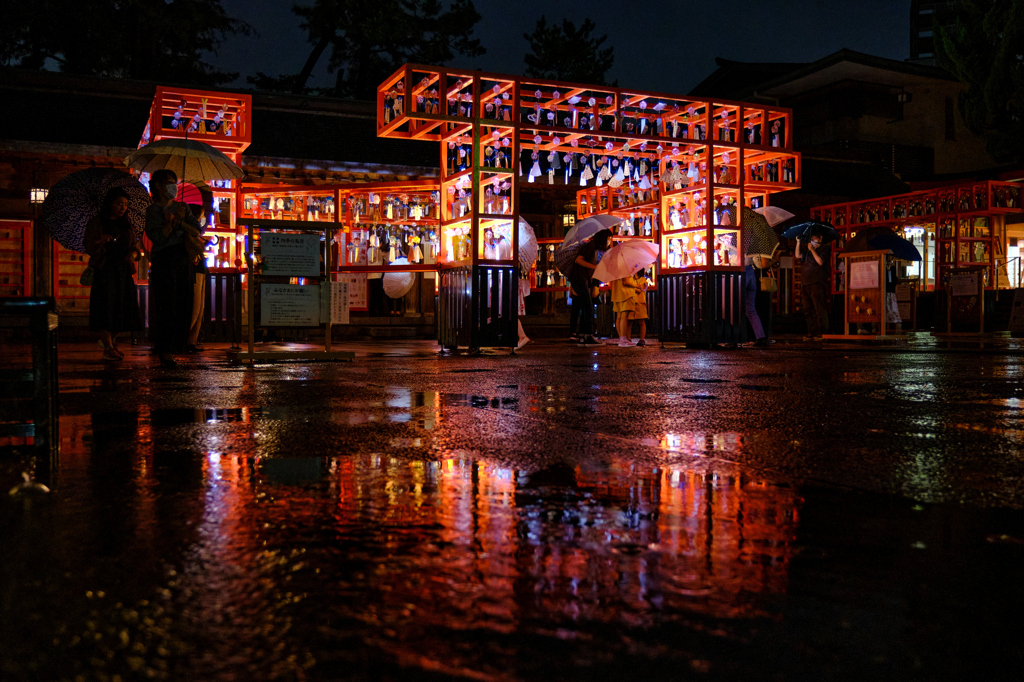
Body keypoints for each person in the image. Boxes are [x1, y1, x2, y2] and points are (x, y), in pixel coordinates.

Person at [145, 169, 199, 367]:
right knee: (166, 305)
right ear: (158, 186)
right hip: (164, 260)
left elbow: (197, 230)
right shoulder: (153, 211)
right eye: (169, 182)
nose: (173, 186)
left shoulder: (183, 207)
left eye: (175, 182)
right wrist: (172, 221)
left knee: (183, 303)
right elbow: (158, 238)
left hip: (182, 258)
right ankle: (165, 349)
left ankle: (177, 346)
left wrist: (181, 219)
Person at [84, 187, 143, 360]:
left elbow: (135, 246)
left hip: (123, 270)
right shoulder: (97, 222)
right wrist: (99, 241)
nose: (122, 208)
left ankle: (110, 340)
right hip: (105, 270)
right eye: (119, 204)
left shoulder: (126, 224)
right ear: (110, 203)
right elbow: (89, 246)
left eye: (125, 204)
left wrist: (133, 254)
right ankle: (108, 346)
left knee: (124, 308)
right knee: (106, 308)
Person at [569, 229, 612, 347]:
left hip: (582, 280)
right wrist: (594, 266)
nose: (609, 241)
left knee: (586, 306)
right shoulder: (590, 246)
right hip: (579, 279)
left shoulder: (594, 248)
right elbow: (578, 260)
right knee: (588, 307)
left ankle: (583, 336)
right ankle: (587, 335)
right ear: (604, 238)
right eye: (609, 238)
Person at [185, 187, 214, 353]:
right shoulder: (188, 232)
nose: (202, 219)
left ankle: (192, 341)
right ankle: (186, 340)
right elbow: (193, 251)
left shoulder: (195, 233)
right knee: (194, 307)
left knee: (199, 308)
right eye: (200, 215)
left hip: (201, 271)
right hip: (194, 272)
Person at [795, 233, 831, 340]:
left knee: (819, 308)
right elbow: (798, 256)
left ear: (820, 237)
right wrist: (798, 242)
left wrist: (812, 250)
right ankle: (812, 331)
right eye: (811, 239)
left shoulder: (824, 249)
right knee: (808, 309)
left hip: (817, 282)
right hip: (806, 282)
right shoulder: (808, 252)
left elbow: (820, 262)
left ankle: (822, 332)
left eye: (814, 238)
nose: (812, 240)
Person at [610, 271, 649, 347]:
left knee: (620, 317)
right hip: (626, 294)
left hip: (618, 294)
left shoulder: (616, 268)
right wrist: (636, 285)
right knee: (624, 318)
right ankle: (624, 339)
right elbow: (626, 282)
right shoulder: (626, 267)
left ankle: (623, 338)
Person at [743, 253, 770, 348]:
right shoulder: (752, 243)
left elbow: (760, 264)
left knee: (734, 305)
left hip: (741, 271)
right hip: (751, 272)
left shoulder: (736, 243)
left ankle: (732, 338)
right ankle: (761, 337)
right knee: (750, 309)